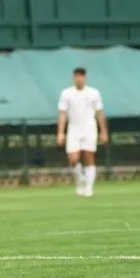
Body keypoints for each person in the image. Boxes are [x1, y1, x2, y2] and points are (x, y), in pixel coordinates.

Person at [56, 67, 108, 197]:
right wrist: (61, 132)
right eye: (77, 76)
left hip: (89, 127)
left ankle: (89, 188)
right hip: (74, 128)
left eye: (81, 76)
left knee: (89, 156)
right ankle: (80, 181)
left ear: (85, 78)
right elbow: (62, 114)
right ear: (73, 78)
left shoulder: (94, 93)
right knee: (73, 158)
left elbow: (99, 113)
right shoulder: (66, 93)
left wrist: (103, 131)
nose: (79, 79)